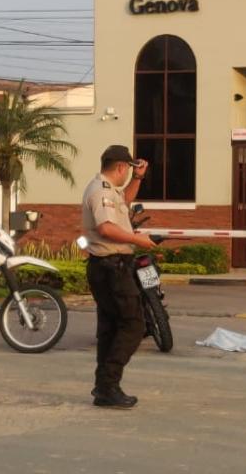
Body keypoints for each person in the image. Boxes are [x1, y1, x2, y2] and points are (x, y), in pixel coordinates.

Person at [81, 145, 155, 408]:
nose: (129, 175)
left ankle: (104, 388)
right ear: (121, 167)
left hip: (108, 265)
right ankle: (108, 384)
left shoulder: (107, 190)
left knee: (110, 329)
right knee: (135, 325)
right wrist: (138, 240)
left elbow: (122, 205)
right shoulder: (100, 191)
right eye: (129, 170)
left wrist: (138, 179)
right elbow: (107, 228)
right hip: (111, 267)